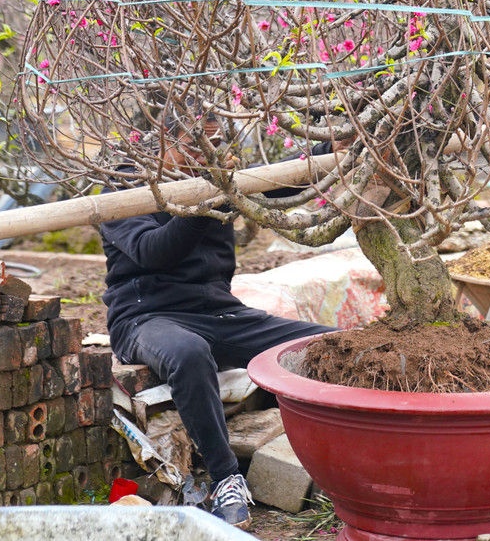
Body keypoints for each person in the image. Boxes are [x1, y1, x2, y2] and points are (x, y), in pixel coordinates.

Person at [99, 112, 337, 529]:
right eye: (194, 143)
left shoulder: (214, 174)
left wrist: (338, 147)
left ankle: (352, 461)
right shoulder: (123, 185)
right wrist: (211, 196)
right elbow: (155, 251)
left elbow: (283, 182)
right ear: (157, 143)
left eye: (211, 141)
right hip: (145, 316)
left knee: (332, 345)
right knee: (189, 352)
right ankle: (227, 479)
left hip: (218, 311)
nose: (203, 153)